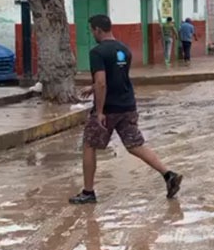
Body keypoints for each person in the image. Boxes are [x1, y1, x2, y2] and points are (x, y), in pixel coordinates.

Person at [71, 15, 182, 205]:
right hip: (128, 105)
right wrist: (93, 87)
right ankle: (168, 174)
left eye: (92, 30)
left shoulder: (97, 52)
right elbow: (117, 76)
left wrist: (99, 112)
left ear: (98, 30)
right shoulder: (124, 49)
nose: (92, 34)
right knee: (135, 144)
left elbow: (102, 82)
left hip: (108, 108)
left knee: (89, 145)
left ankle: (88, 192)